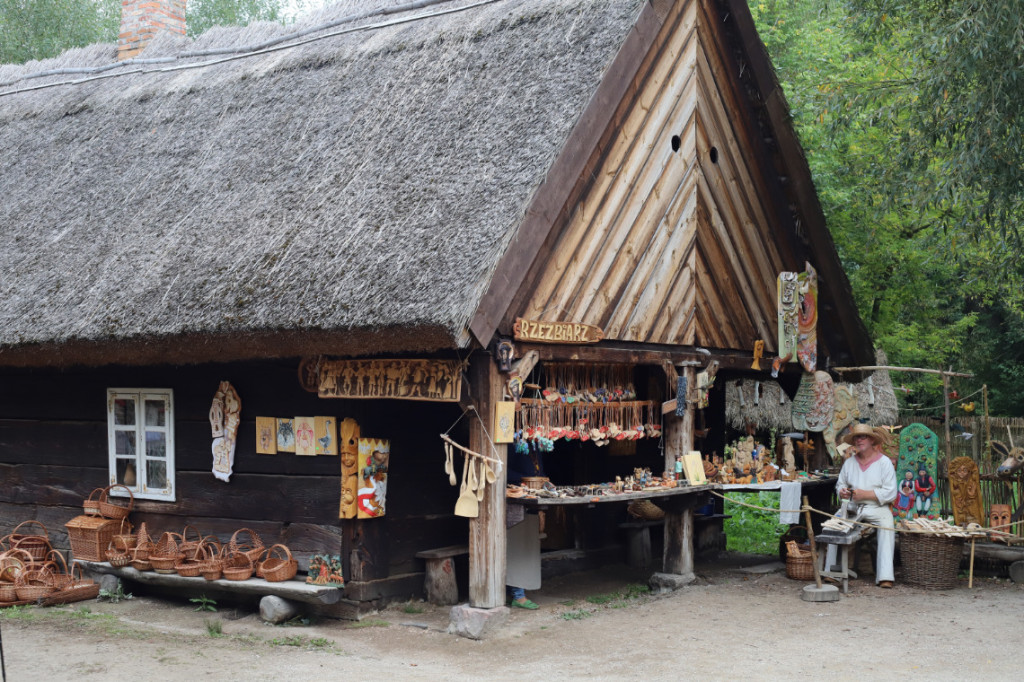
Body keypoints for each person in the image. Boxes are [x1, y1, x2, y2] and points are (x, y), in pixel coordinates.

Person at [836, 423, 898, 588]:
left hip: (878, 508)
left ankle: (885, 576)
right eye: (856, 437)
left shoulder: (884, 463)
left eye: (863, 437)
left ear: (871, 440)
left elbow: (891, 492)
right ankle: (833, 572)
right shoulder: (850, 463)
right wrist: (842, 492)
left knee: (887, 526)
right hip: (853, 508)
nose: (859, 440)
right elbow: (840, 484)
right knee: (833, 525)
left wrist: (867, 494)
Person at [505, 442, 545, 609]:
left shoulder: (536, 445)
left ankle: (515, 592)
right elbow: (503, 470)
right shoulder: (511, 445)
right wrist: (522, 480)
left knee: (526, 545)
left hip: (531, 498)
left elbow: (538, 471)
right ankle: (517, 595)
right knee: (517, 545)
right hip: (513, 499)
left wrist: (543, 483)